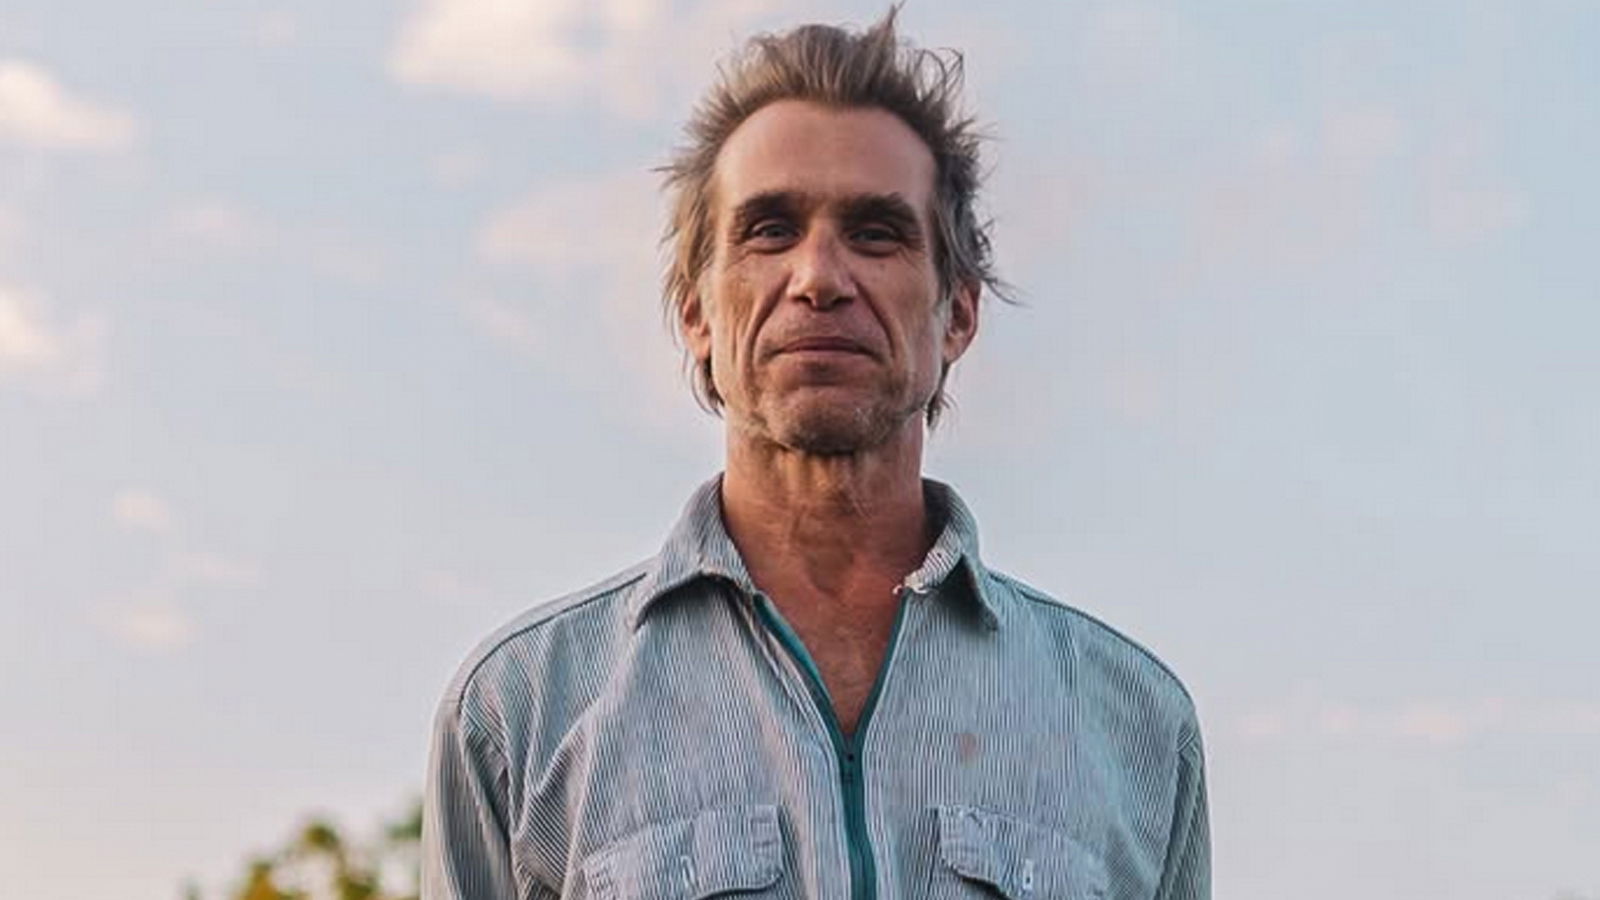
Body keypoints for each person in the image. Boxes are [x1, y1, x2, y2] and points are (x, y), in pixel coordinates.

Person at [422, 10, 1208, 900]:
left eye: (876, 233)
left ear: (957, 313)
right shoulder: (521, 713)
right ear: (697, 313)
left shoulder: (1135, 727)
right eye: (769, 229)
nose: (819, 278)